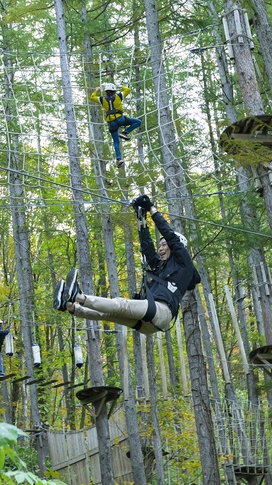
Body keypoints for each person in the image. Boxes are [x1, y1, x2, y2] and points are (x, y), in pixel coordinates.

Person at [52, 194, 200, 335]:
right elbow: (147, 248)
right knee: (109, 314)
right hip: (149, 321)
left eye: (164, 245)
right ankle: (71, 308)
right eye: (159, 245)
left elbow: (169, 235)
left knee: (120, 304)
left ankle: (78, 296)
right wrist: (141, 219)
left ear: (176, 248)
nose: (160, 248)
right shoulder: (161, 266)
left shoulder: (185, 265)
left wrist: (152, 209)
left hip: (160, 311)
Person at [90, 83, 142, 168]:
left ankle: (118, 158)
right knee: (138, 122)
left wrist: (96, 90)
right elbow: (128, 90)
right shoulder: (119, 96)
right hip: (120, 119)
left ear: (106, 92)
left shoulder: (102, 99)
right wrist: (121, 86)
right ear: (114, 91)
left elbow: (92, 97)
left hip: (111, 122)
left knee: (116, 141)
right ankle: (125, 132)